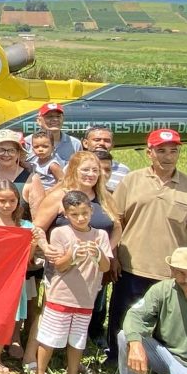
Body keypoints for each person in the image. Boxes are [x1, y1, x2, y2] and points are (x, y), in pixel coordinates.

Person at [108, 128, 187, 365]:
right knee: (123, 316)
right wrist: (113, 256)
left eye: (173, 151)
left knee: (164, 322)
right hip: (131, 265)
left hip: (170, 271)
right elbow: (116, 221)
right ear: (149, 153)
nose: (167, 156)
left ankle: (158, 364)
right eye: (161, 150)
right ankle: (116, 359)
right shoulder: (131, 181)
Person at [34, 149, 121, 357]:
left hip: (92, 267)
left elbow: (117, 226)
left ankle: (71, 358)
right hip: (61, 265)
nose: (90, 174)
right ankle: (32, 356)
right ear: (74, 170)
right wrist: (46, 249)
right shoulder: (59, 195)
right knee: (51, 312)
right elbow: (36, 227)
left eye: (95, 170)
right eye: (85, 169)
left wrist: (106, 250)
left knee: (81, 313)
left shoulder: (105, 197)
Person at [34, 190, 112, 374]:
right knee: (49, 338)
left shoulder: (100, 235)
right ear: (66, 215)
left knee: (78, 341)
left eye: (84, 213)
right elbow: (59, 265)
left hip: (86, 298)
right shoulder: (60, 233)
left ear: (91, 211)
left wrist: (98, 254)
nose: (80, 218)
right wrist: (74, 254)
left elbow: (105, 267)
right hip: (60, 296)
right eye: (74, 214)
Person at [0, 180, 37, 367]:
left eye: (12, 201)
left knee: (6, 319)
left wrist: (34, 243)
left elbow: (28, 260)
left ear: (18, 202)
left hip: (13, 282)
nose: (7, 205)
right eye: (2, 200)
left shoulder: (26, 227)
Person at [82, 126, 128, 190]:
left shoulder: (123, 170)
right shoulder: (75, 166)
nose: (102, 143)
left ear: (112, 145)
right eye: (97, 140)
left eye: (107, 141)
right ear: (85, 143)